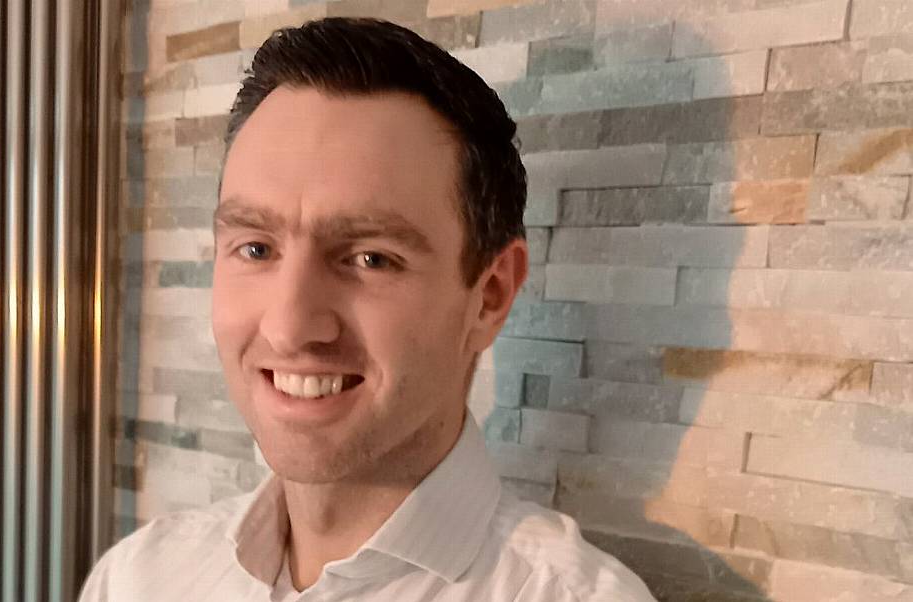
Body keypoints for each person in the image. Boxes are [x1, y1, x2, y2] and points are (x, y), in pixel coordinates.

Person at [79, 17, 654, 601]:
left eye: (371, 258)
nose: (289, 326)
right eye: (255, 248)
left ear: (490, 295)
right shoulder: (139, 577)